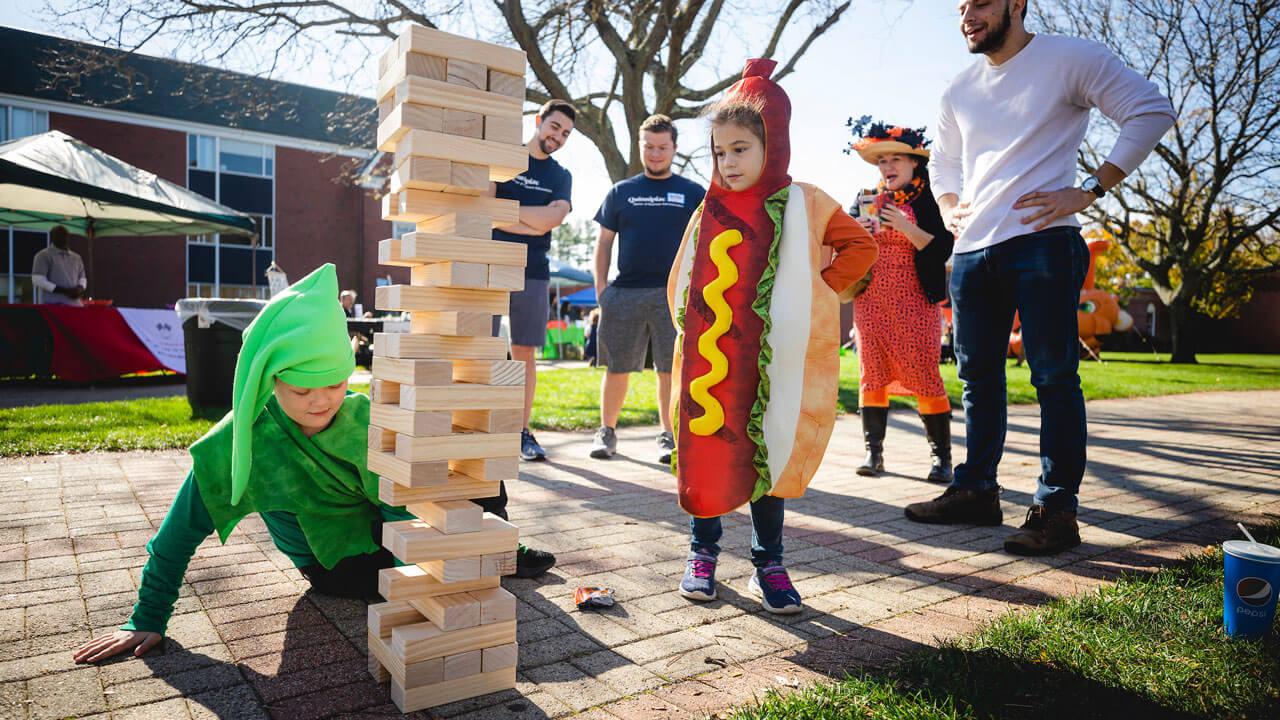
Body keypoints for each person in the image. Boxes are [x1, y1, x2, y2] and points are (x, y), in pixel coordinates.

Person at [907, 0, 1175, 555]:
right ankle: (976, 489)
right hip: (974, 252)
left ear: (1016, 4)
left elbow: (1150, 110)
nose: (967, 16)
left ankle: (1056, 511)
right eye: (960, 7)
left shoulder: (1071, 57)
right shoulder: (959, 87)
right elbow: (943, 163)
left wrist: (1091, 189)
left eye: (980, 3)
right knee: (977, 379)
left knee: (1053, 379)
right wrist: (951, 204)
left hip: (1044, 245)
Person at [72, 264, 419, 664]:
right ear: (270, 378)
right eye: (302, 388)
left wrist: (414, 594)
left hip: (386, 544)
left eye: (336, 384)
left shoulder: (363, 419)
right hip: (336, 567)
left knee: (461, 472)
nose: (321, 401)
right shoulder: (245, 437)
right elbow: (178, 533)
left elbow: (403, 514)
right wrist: (147, 616)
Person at [670, 60, 877, 614]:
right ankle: (702, 553)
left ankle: (770, 562)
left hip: (776, 365)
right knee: (709, 451)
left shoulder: (807, 202)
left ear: (772, 144)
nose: (728, 162)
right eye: (719, 152)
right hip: (715, 362)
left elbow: (861, 248)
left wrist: (819, 294)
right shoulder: (708, 209)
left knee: (772, 450)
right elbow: (684, 276)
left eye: (740, 148)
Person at [481, 99, 575, 578]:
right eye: (553, 127)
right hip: (490, 263)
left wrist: (513, 216)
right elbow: (484, 209)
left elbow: (551, 220)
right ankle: (478, 425)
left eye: (564, 134)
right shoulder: (502, 159)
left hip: (533, 271)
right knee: (480, 348)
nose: (556, 137)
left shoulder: (562, 175)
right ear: (538, 121)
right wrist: (526, 217)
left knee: (523, 355)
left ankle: (521, 431)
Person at [589, 114, 706, 463]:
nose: (655, 154)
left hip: (673, 296)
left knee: (670, 370)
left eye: (662, 147)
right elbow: (604, 242)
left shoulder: (692, 193)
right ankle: (606, 433)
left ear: (674, 148)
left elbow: (705, 242)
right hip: (624, 294)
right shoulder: (621, 192)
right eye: (649, 147)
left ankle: (668, 437)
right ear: (640, 146)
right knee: (617, 367)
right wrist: (601, 288)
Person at [847, 121, 955, 484]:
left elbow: (944, 248)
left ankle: (942, 458)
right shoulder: (864, 199)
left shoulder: (930, 199)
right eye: (882, 161)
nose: (888, 167)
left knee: (926, 375)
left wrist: (905, 227)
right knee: (871, 373)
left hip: (916, 301)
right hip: (871, 302)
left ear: (914, 164)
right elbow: (844, 246)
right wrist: (856, 236)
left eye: (896, 159)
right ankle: (872, 452)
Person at [31, 226, 87, 305]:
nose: (62, 237)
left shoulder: (76, 257)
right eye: (59, 234)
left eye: (65, 235)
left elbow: (82, 278)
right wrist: (65, 291)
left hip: (74, 305)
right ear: (52, 237)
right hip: (51, 305)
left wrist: (80, 288)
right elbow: (38, 280)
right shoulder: (43, 255)